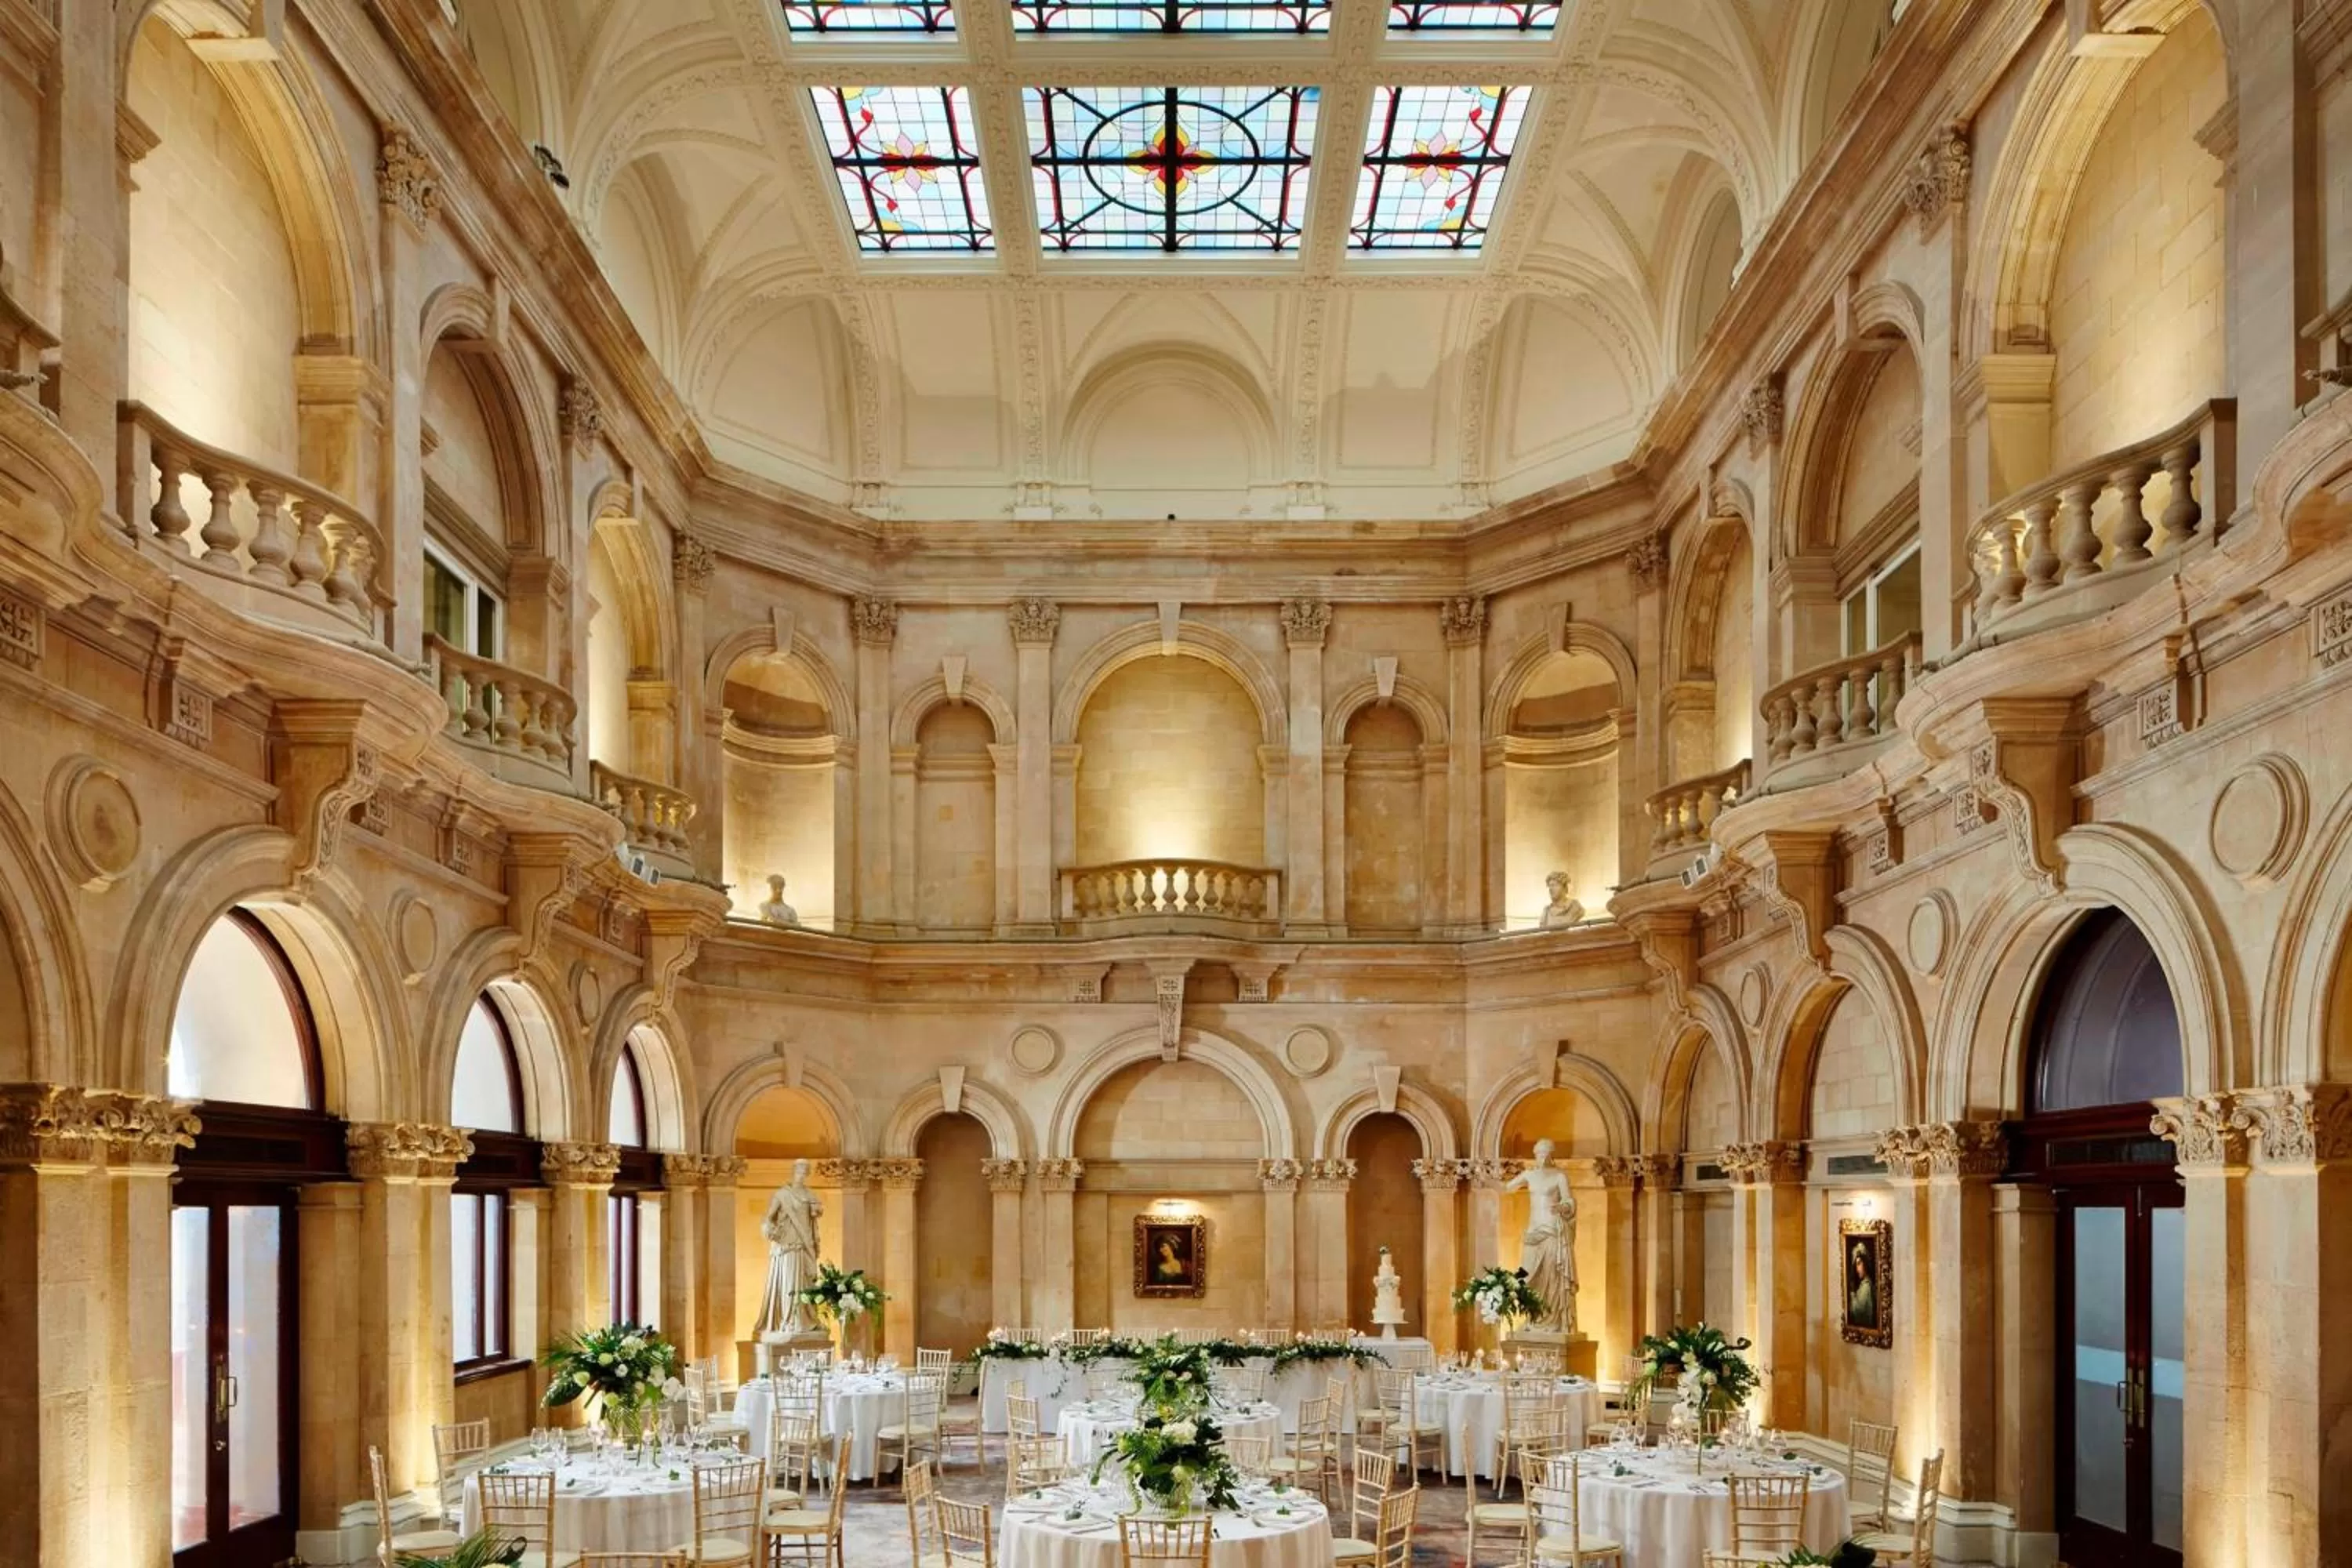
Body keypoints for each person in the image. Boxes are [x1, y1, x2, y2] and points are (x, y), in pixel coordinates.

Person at [1502, 1138, 1578, 1334]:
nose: (1542, 1157)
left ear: (1551, 1154)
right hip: (1533, 1231)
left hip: (1552, 1229)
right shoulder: (1530, 1175)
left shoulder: (1559, 1176)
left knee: (1552, 1276)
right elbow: (1506, 1187)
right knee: (1528, 1275)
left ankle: (1553, 1321)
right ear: (1535, 1154)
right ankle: (1533, 1318)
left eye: (1546, 1153)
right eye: (1539, 1153)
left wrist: (1563, 1206)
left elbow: (1569, 1200)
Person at [754, 1158, 822, 1336]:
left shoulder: (809, 1195)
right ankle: (790, 1320)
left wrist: (816, 1211)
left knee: (808, 1279)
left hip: (806, 1243)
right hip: (788, 1244)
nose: (802, 1174)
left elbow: (814, 1218)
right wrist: (770, 1230)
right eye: (799, 1171)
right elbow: (769, 1217)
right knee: (790, 1282)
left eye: (805, 1171)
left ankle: (807, 1320)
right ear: (794, 1172)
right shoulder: (782, 1195)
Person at [1848, 1241, 1878, 1327]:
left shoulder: (1866, 1286)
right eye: (1856, 1265)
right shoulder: (1864, 1285)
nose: (1857, 1269)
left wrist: (1853, 1294)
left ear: (1865, 1263)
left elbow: (1857, 1312)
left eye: (1859, 1263)